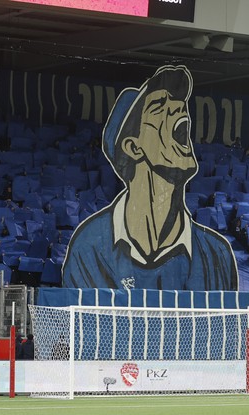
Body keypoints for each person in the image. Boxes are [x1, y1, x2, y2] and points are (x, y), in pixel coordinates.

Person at [61, 66, 238, 291]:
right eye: (159, 106)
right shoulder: (89, 246)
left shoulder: (218, 254)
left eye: (178, 102)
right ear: (133, 147)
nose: (178, 107)